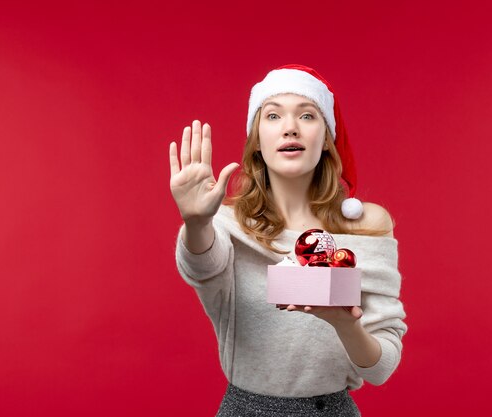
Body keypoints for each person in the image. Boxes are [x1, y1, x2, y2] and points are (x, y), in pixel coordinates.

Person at [169, 64, 407, 416]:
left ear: (326, 139)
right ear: (257, 140)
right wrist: (195, 221)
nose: (290, 127)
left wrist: (344, 322)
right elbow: (202, 265)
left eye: (307, 115)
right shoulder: (224, 223)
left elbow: (381, 367)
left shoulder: (366, 226)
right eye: (273, 115)